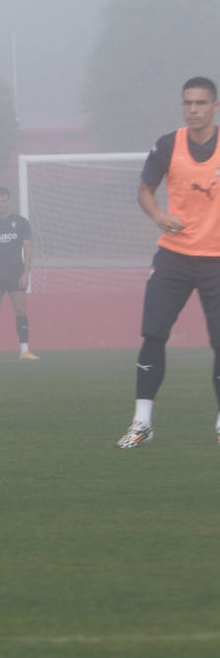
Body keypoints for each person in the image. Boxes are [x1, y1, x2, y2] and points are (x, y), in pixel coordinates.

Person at [119, 76, 220, 448]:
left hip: (217, 260)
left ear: (215, 107)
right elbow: (145, 191)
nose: (192, 110)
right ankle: (141, 423)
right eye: (187, 103)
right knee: (153, 334)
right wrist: (160, 217)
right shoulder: (167, 144)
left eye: (200, 103)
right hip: (174, 257)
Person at [0, 187, 37, 361]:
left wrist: (26, 274)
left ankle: (24, 350)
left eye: (4, 201)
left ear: (9, 201)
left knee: (20, 311)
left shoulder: (21, 222)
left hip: (15, 273)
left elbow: (28, 249)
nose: (1, 204)